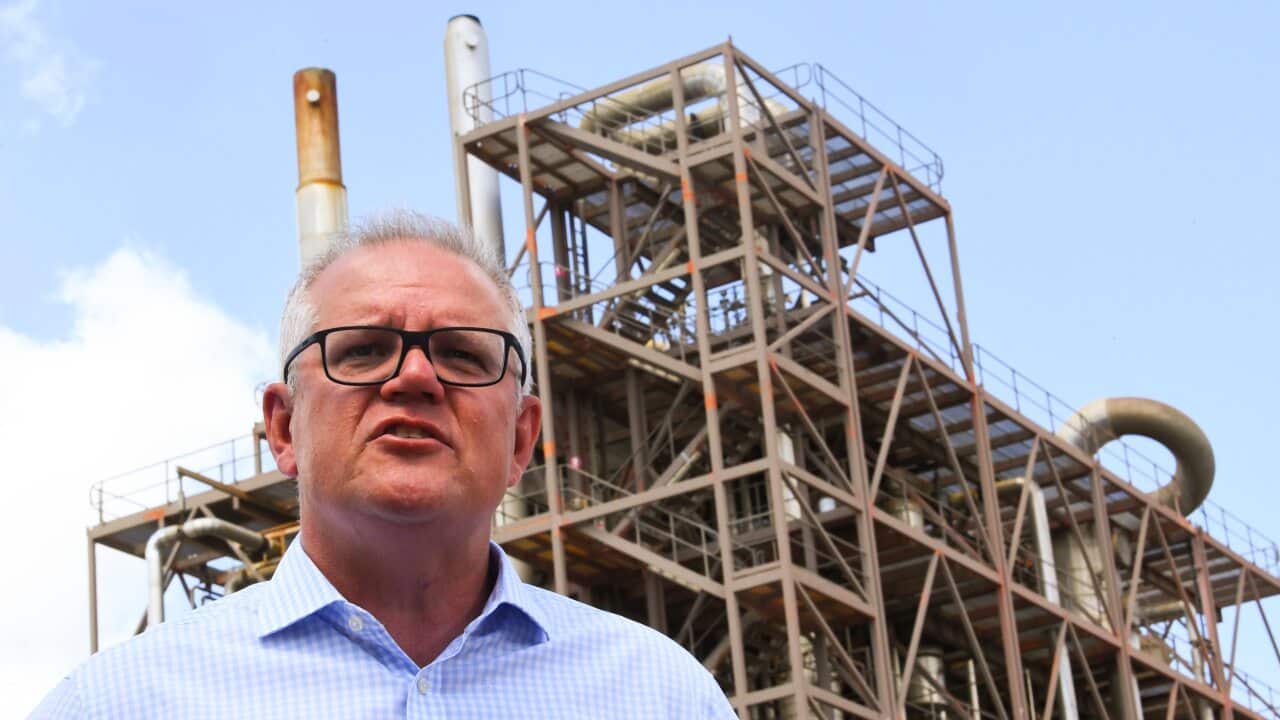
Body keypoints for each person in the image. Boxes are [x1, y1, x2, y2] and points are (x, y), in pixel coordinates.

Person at [32, 212, 736, 719]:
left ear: (522, 441)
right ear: (283, 427)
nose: (415, 378)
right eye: (363, 348)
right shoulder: (118, 704)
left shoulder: (660, 696)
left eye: (463, 354)